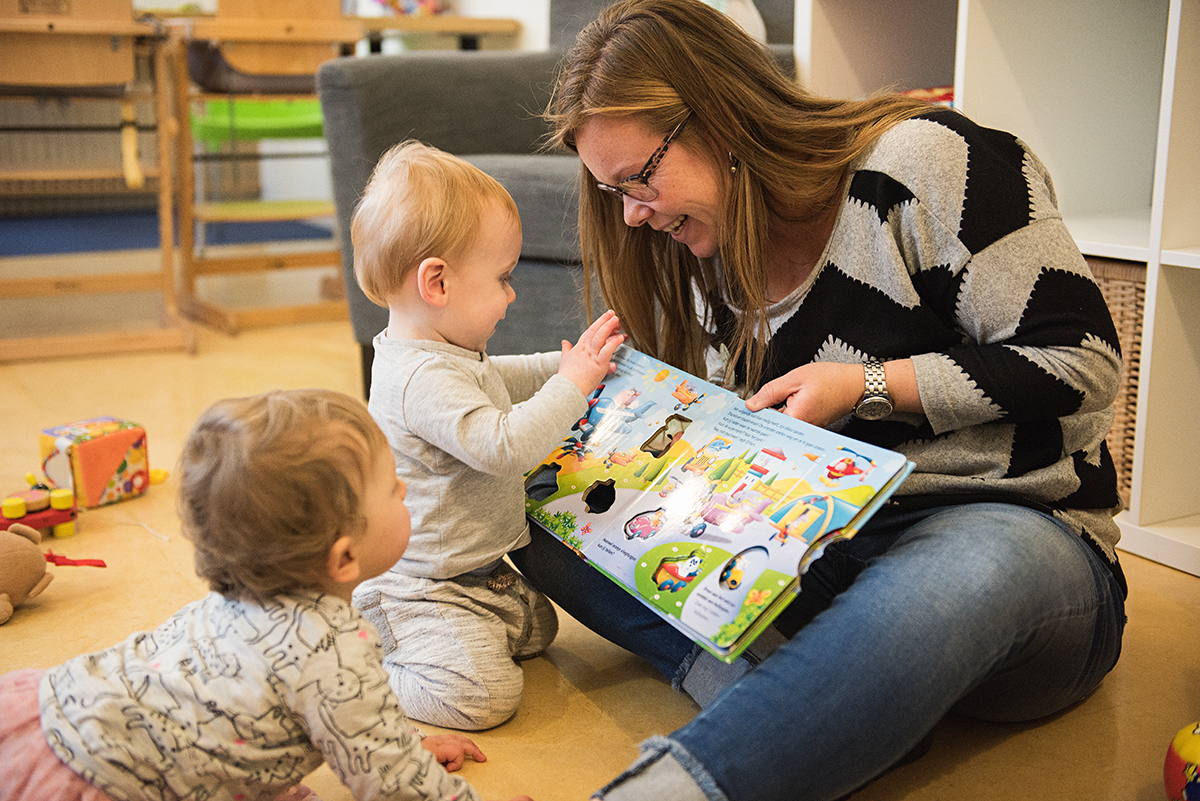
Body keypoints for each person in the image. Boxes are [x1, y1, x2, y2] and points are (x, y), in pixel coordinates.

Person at [506, 1, 1130, 799]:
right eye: (612, 189)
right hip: (820, 543)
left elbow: (1082, 358)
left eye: (639, 179)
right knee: (537, 501)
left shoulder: (926, 163)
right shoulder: (713, 250)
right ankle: (820, 708)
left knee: (956, 579)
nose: (632, 214)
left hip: (1015, 533)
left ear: (723, 121)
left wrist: (868, 388)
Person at [0, 388, 533, 801]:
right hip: (113, 779)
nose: (403, 491)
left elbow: (333, 719)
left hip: (66, 709)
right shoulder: (334, 652)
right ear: (344, 558)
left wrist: (394, 740)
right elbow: (395, 785)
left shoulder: (242, 592)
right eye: (393, 486)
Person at [349, 141, 625, 731]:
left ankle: (435, 638)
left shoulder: (444, 354)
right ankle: (366, 665)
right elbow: (505, 447)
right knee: (484, 698)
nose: (512, 293)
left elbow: (497, 378)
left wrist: (563, 366)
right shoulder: (419, 377)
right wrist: (573, 388)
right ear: (438, 283)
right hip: (421, 587)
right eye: (502, 278)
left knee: (538, 632)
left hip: (475, 571)